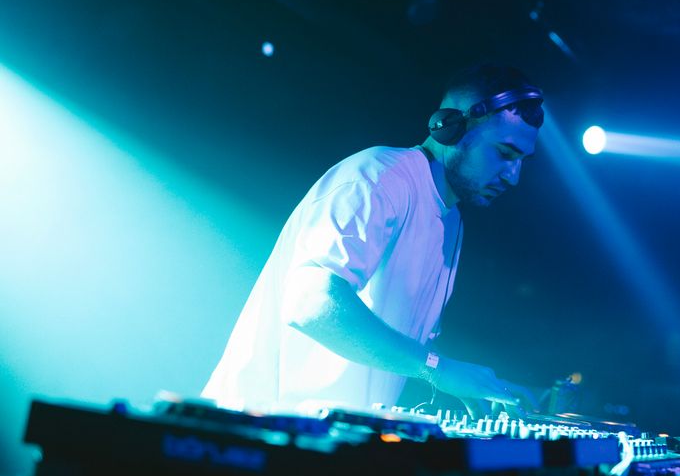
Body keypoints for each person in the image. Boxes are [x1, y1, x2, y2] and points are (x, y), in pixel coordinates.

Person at [201, 65, 543, 416]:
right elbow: (311, 304)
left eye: (521, 161)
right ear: (452, 128)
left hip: (329, 434)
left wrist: (480, 384)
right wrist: (438, 369)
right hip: (256, 423)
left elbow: (393, 348)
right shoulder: (379, 178)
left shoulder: (451, 221)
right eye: (505, 153)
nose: (513, 177)